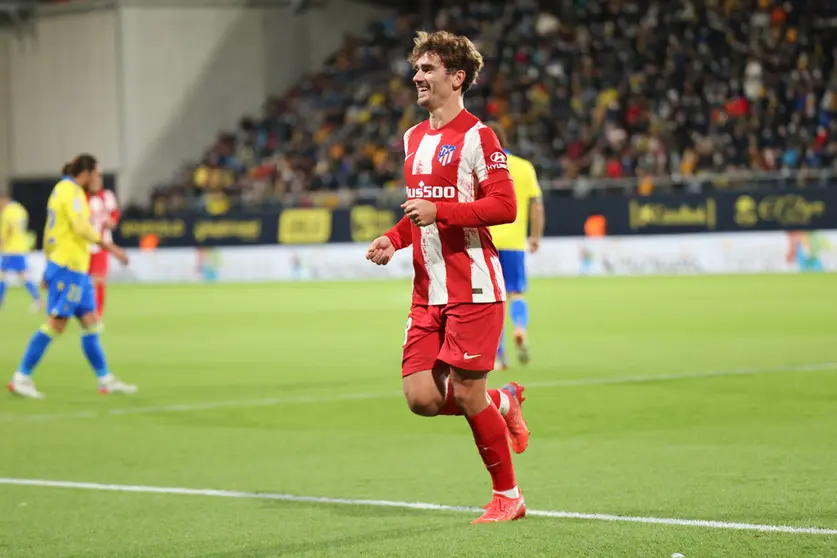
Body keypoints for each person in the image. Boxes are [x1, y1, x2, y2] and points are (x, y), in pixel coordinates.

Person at [365, 30, 529, 523]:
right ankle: (503, 401)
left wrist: (442, 212)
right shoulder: (413, 138)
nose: (417, 76)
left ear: (456, 78)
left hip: (474, 287)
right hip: (427, 289)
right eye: (416, 68)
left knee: (464, 392)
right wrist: (394, 239)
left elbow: (504, 205)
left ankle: (509, 497)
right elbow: (419, 211)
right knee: (420, 398)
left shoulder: (481, 138)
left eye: (428, 69)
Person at [8, 155, 137, 399]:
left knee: (90, 321)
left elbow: (50, 234)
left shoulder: (61, 190)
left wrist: (48, 267)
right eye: (97, 175)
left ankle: (105, 378)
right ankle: (22, 377)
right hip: (69, 267)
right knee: (57, 323)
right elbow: (81, 228)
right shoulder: (73, 192)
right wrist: (113, 249)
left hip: (74, 268)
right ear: (86, 174)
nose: (99, 180)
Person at [485, 121, 544, 371]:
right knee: (515, 293)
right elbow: (537, 205)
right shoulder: (523, 167)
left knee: (491, 300)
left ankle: (499, 357)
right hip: (514, 244)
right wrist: (535, 236)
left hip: (486, 242)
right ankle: (519, 327)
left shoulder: (480, 169)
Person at [86, 168, 120, 320]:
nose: (97, 182)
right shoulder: (82, 197)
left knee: (99, 278)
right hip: (84, 244)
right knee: (84, 280)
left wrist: (113, 221)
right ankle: (84, 311)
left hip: (102, 244)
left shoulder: (107, 196)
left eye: (99, 179)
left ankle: (97, 313)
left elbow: (114, 213)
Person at [0, 195, 43, 312]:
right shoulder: (21, 209)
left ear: (3, 199)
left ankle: (37, 299)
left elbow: (7, 230)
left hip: (10, 250)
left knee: (5, 275)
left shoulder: (7, 212)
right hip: (21, 247)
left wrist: (2, 243)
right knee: (21, 275)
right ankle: (37, 299)